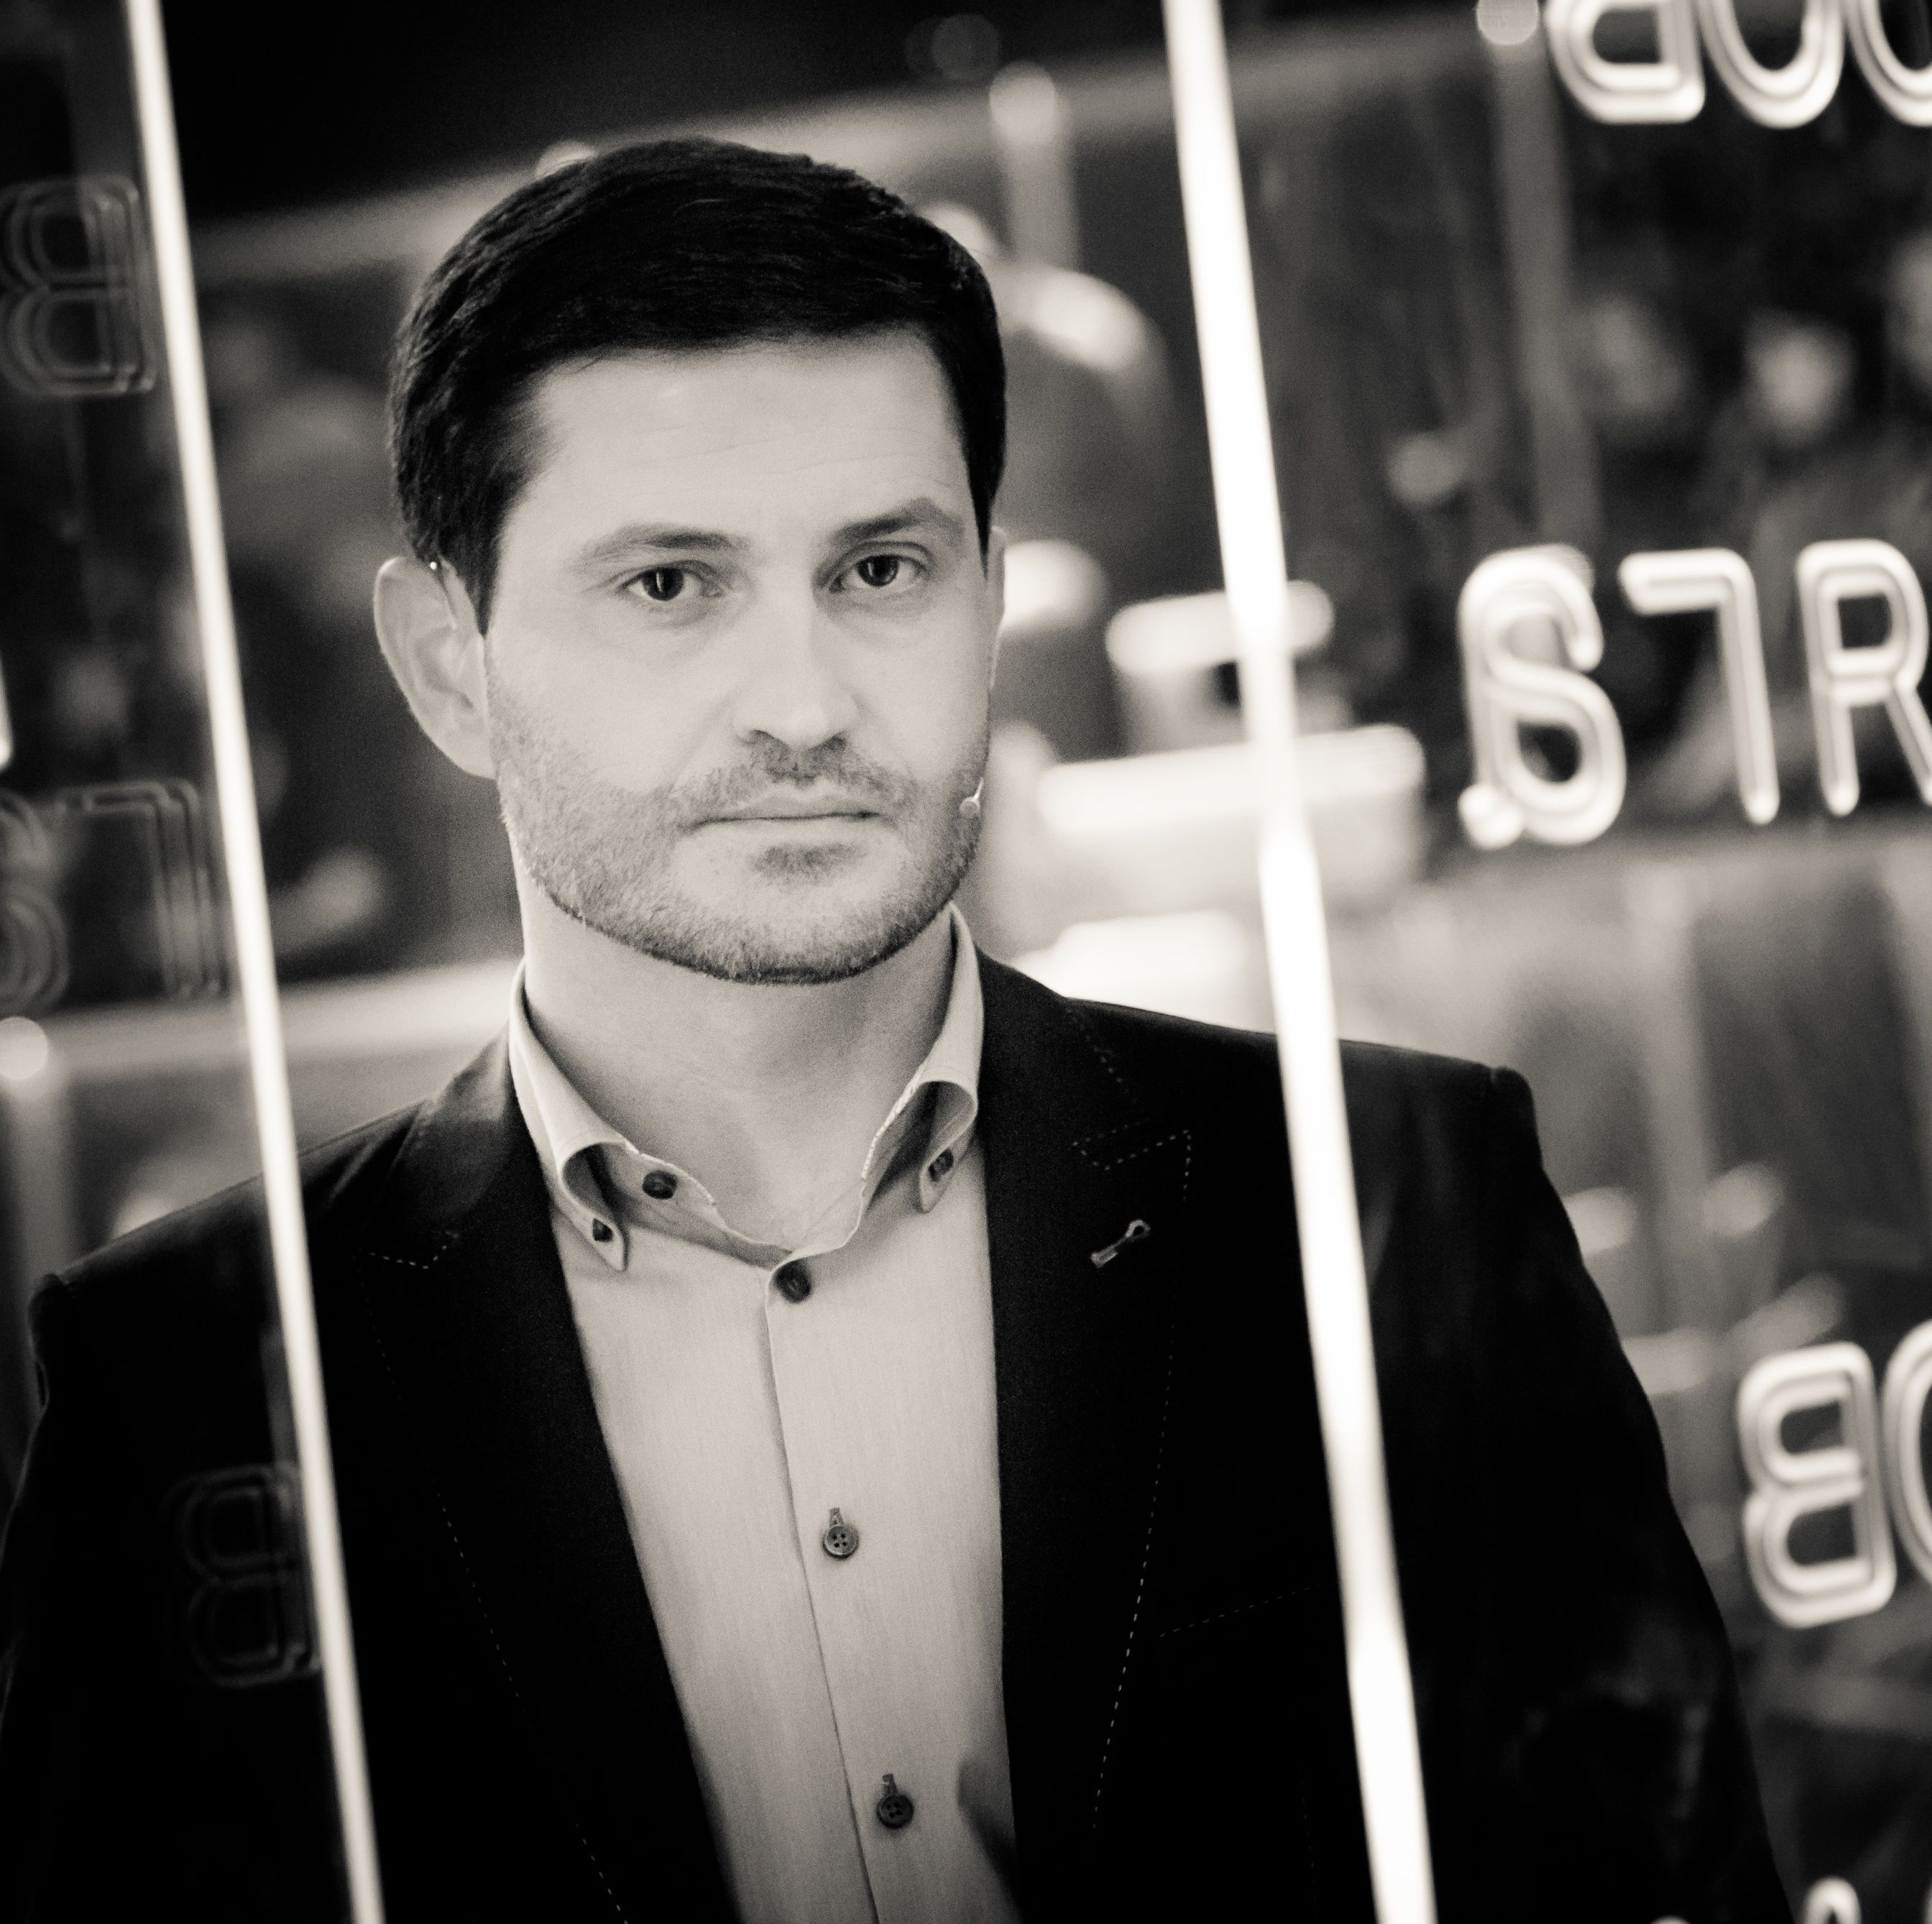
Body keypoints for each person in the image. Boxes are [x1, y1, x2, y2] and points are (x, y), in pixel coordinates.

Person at [0, 139, 1788, 1924]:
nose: (803, 705)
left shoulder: (1392, 1196)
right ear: (445, 663)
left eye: (878, 569)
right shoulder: (179, 1379)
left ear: (993, 594)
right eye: (670, 584)